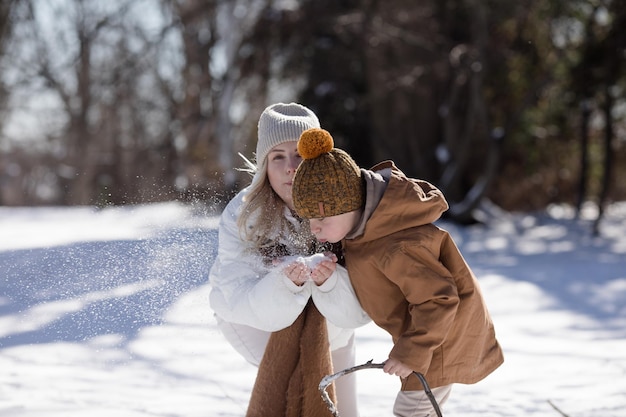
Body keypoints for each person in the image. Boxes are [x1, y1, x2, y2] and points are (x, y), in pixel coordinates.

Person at [291, 128, 504, 417]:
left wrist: (411, 353)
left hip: (440, 336)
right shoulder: (363, 230)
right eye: (309, 219)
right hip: (426, 334)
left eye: (321, 217)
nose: (314, 228)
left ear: (350, 205)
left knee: (411, 412)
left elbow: (438, 299)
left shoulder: (397, 246)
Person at [208, 104, 370, 417]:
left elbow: (364, 299)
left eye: (299, 154)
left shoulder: (347, 207)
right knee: (295, 381)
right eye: (277, 157)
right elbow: (237, 292)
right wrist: (286, 283)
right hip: (249, 317)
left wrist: (329, 281)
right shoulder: (243, 215)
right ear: (263, 167)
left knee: (342, 409)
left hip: (332, 319)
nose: (290, 167)